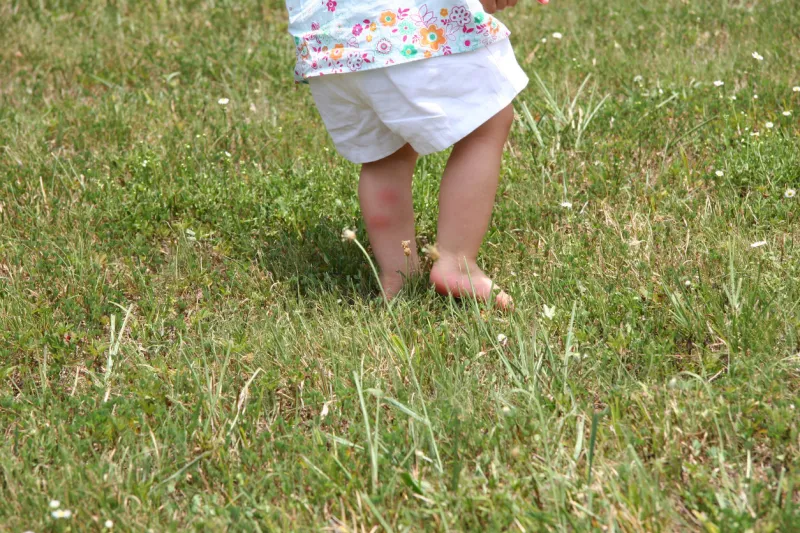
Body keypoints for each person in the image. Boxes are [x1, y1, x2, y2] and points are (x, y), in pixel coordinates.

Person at [286, 0, 547, 308]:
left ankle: (398, 275)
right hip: (403, 33)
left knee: (385, 156)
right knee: (489, 122)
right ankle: (456, 263)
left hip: (329, 50)